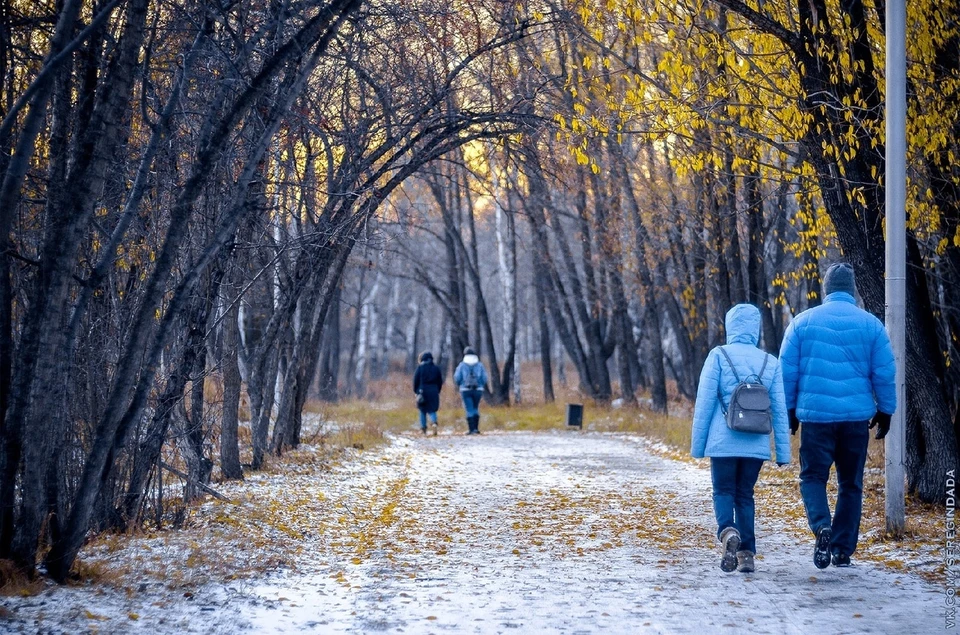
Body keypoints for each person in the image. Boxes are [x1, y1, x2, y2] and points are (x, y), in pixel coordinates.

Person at [779, 262, 896, 569]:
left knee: (812, 477)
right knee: (851, 483)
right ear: (852, 289)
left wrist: (789, 412)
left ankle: (822, 526)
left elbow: (786, 373)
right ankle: (843, 549)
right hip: (855, 420)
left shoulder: (802, 324)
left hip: (816, 420)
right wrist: (886, 411)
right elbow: (884, 372)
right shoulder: (871, 325)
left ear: (826, 288)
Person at [691, 304, 791, 574]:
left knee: (723, 491)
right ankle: (747, 555)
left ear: (730, 326)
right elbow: (779, 411)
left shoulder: (719, 356)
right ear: (755, 327)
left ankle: (727, 532)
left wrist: (698, 446)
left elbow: (704, 403)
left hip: (723, 442)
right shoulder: (769, 361)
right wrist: (783, 452)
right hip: (756, 444)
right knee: (745, 495)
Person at [454, 346, 488, 435]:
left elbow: (457, 377)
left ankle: (471, 429)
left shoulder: (462, 365)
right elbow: (484, 378)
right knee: (476, 407)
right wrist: (480, 384)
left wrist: (461, 384)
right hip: (478, 389)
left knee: (469, 408)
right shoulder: (479, 365)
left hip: (465, 389)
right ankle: (476, 429)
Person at [413, 351, 443, 435]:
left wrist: (416, 391)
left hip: (422, 391)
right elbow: (440, 381)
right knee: (432, 409)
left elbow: (416, 380)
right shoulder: (436, 368)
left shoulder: (420, 368)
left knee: (422, 410)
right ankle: (434, 423)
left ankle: (423, 428)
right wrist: (438, 390)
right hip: (433, 391)